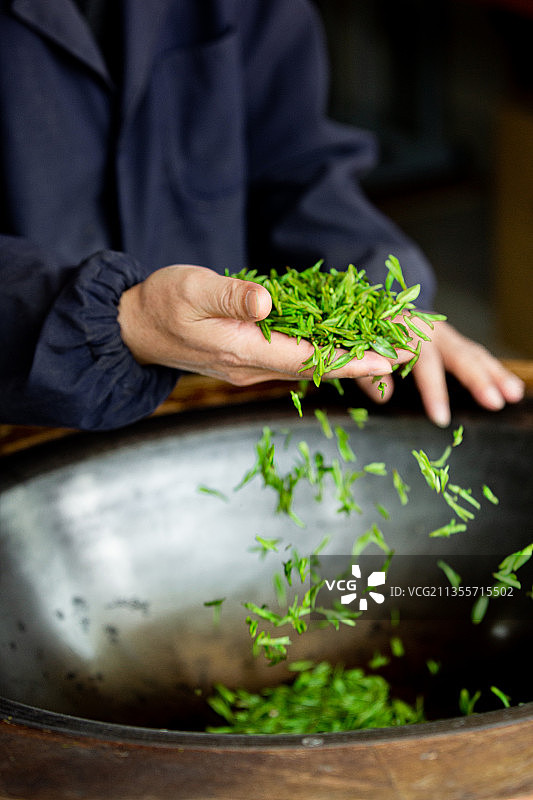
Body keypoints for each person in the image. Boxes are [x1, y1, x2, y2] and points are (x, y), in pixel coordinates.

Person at [0, 0, 524, 431]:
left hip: (214, 395)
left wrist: (378, 297)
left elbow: (294, 161)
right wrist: (116, 321)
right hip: (22, 403)